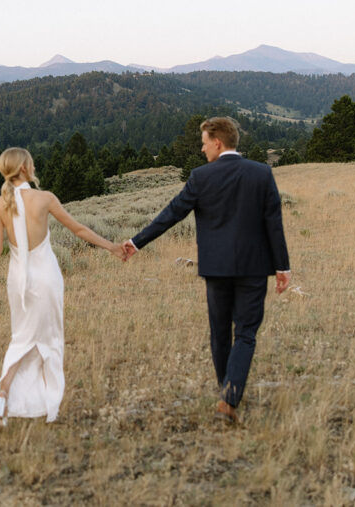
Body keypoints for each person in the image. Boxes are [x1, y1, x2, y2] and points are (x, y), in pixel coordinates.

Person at [122, 117, 291, 425]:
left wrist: (137, 241)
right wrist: (283, 266)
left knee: (220, 334)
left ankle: (226, 394)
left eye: (203, 143)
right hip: (254, 267)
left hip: (216, 268)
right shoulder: (262, 173)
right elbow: (274, 223)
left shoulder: (201, 177)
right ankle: (228, 398)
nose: (201, 149)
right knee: (246, 333)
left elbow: (171, 214)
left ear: (217, 142)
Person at [0, 147, 126, 426]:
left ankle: (3, 395)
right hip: (46, 278)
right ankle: (47, 402)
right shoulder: (44, 198)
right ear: (24, 168)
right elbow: (79, 229)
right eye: (31, 163)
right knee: (48, 339)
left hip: (18, 282)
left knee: (21, 338)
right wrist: (113, 247)